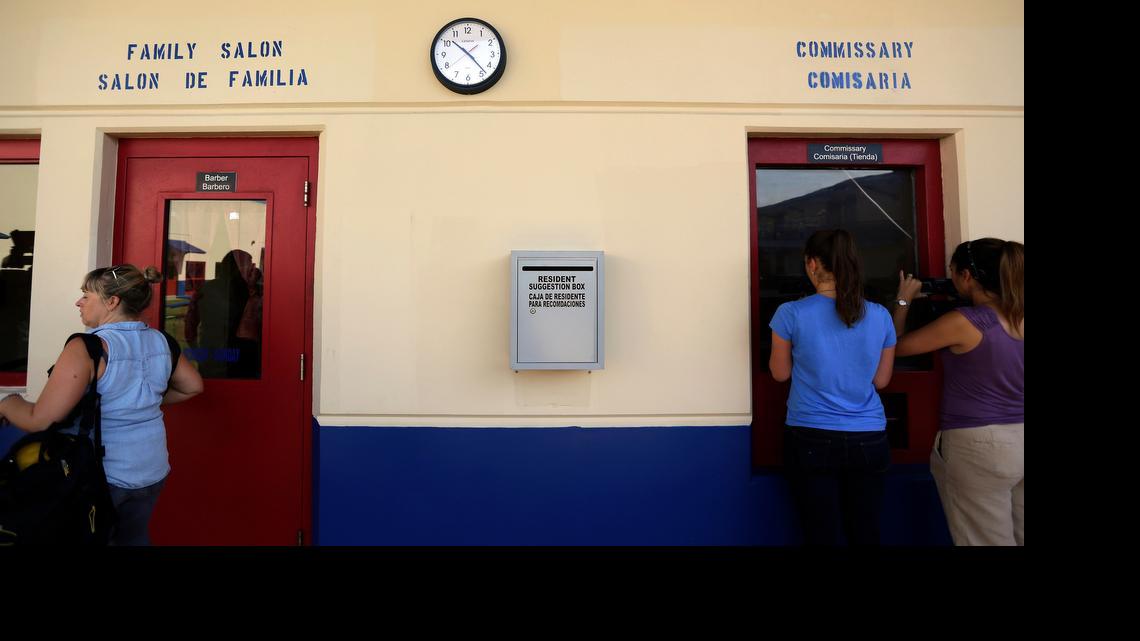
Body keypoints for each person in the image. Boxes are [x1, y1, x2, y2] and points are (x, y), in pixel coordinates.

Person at [0, 264, 204, 545]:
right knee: (133, 539)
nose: (78, 302)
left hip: (101, 472)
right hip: (151, 469)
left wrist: (6, 402)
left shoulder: (88, 347)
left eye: (86, 295)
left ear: (112, 301)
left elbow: (40, 420)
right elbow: (193, 386)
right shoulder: (161, 341)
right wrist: (140, 404)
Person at [893, 238, 1024, 546]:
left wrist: (903, 301)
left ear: (967, 276)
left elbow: (894, 347)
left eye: (952, 271)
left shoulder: (965, 323)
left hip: (980, 444)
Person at [769, 229, 896, 545]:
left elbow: (779, 374)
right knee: (865, 531)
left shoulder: (791, 313)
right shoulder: (880, 315)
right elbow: (881, 381)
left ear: (812, 264)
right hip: (869, 436)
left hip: (810, 434)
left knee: (820, 532)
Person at [184, 250, 257, 378]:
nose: (252, 268)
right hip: (239, 356)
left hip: (212, 353)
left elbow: (190, 324)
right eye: (249, 265)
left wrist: (196, 350)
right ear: (238, 268)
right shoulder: (247, 292)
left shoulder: (205, 289)